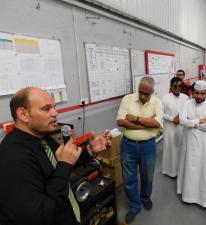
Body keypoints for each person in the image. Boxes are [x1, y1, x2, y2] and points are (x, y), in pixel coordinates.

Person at [0, 87, 110, 225]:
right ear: (23, 114)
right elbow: (38, 217)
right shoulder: (13, 158)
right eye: (46, 109)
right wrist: (63, 167)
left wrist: (89, 150)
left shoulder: (42, 136)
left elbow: (61, 162)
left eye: (54, 107)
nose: (55, 113)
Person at [116, 76, 163, 224]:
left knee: (147, 175)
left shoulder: (157, 103)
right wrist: (147, 124)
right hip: (128, 145)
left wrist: (134, 119)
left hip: (148, 146)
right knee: (129, 178)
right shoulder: (127, 99)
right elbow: (120, 121)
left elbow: (157, 123)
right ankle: (134, 206)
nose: (143, 96)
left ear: (152, 91)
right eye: (140, 92)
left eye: (146, 93)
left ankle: (145, 198)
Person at [177, 80, 206, 217]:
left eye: (202, 94)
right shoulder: (187, 103)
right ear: (192, 92)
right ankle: (188, 196)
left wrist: (191, 122)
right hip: (189, 142)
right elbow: (182, 121)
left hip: (204, 145)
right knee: (189, 168)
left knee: (204, 170)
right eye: (196, 93)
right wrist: (199, 121)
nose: (199, 96)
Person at [161, 77, 189, 177]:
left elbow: (188, 112)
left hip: (181, 127)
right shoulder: (165, 98)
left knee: (181, 148)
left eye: (179, 86)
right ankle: (170, 171)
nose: (177, 88)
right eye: (175, 86)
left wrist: (181, 118)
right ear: (171, 86)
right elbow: (161, 114)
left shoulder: (185, 98)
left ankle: (180, 171)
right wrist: (172, 119)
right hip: (169, 127)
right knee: (170, 148)